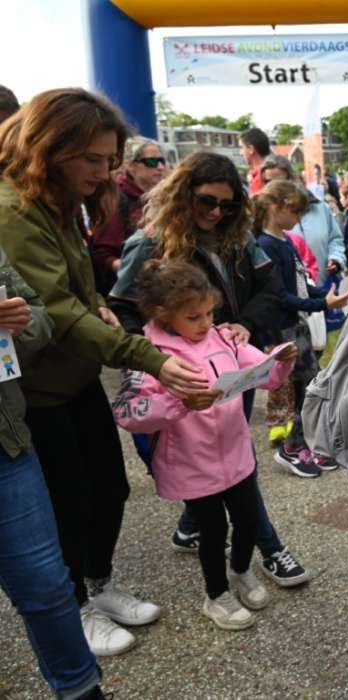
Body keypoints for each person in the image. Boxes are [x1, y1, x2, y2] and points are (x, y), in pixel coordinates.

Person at [0, 88, 209, 656]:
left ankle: (98, 583)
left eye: (109, 159)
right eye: (92, 159)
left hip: (74, 375)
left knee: (109, 489)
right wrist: (151, 358)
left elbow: (73, 289)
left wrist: (96, 301)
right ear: (52, 146)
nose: (103, 172)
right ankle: (75, 604)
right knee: (68, 501)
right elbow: (56, 311)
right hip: (39, 389)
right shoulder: (13, 210)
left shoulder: (57, 198)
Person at [109, 151, 314, 588]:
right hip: (178, 379)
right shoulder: (150, 242)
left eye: (228, 205)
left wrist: (244, 325)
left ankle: (193, 525)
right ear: (183, 194)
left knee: (230, 456)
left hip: (233, 362)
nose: (217, 212)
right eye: (206, 201)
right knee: (216, 461)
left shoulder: (237, 237)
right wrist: (159, 361)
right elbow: (123, 311)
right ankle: (269, 547)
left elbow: (269, 289)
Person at [112, 261, 298, 630]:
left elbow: (261, 372)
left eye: (210, 313)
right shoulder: (148, 353)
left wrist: (280, 363)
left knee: (248, 519)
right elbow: (128, 411)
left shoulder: (222, 337)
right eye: (193, 317)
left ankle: (240, 571)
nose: (205, 323)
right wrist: (178, 402)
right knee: (213, 531)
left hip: (235, 453)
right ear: (163, 314)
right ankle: (216, 595)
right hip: (191, 462)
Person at [0, 244, 107, 698]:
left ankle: (81, 689)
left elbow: (39, 316)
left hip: (6, 443)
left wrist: (20, 324)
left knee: (46, 583)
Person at [252, 180, 348, 476]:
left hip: (296, 326)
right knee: (306, 388)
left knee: (311, 386)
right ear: (275, 207)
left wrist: (325, 297)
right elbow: (280, 297)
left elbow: (301, 285)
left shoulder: (284, 240)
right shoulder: (266, 245)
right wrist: (323, 304)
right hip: (283, 329)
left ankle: (307, 444)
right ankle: (294, 447)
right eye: (294, 211)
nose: (298, 219)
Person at [89, 136, 168, 295]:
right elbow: (102, 254)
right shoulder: (116, 199)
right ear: (131, 165)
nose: (160, 167)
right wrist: (132, 267)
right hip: (125, 292)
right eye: (151, 162)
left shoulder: (161, 198)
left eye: (162, 161)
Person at [259, 154, 346, 287]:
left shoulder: (320, 208)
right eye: (268, 182)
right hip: (292, 294)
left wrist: (336, 259)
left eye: (280, 181)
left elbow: (335, 239)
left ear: (292, 179)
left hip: (324, 286)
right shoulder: (262, 221)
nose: (274, 188)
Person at [239, 127, 271, 195]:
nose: (240, 153)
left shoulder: (260, 179)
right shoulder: (277, 170)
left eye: (241, 147)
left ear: (251, 149)